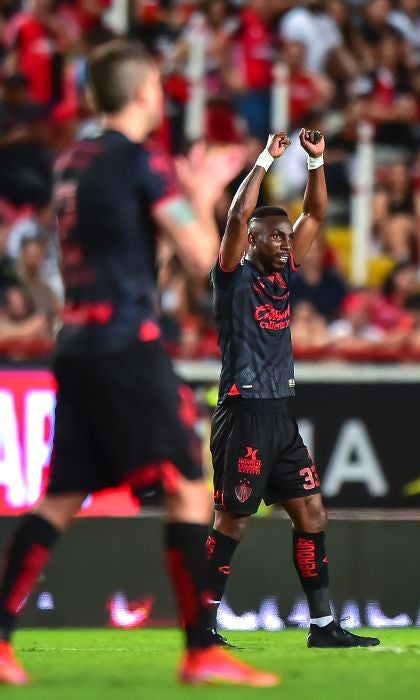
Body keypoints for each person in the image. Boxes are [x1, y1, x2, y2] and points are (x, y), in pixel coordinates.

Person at [0, 40, 278, 688]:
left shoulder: (76, 160)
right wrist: (207, 193)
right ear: (147, 91)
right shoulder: (142, 164)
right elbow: (205, 256)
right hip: (127, 347)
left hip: (78, 345)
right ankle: (201, 651)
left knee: (63, 496)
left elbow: (127, 256)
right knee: (185, 484)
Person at [206, 129, 381, 649]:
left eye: (287, 235)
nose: (286, 242)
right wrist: (263, 159)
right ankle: (201, 624)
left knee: (311, 512)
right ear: (254, 240)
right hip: (244, 412)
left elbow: (319, 214)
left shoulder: (284, 274)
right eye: (276, 236)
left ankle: (324, 626)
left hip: (280, 414)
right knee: (232, 521)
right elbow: (237, 217)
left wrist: (316, 160)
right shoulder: (232, 275)